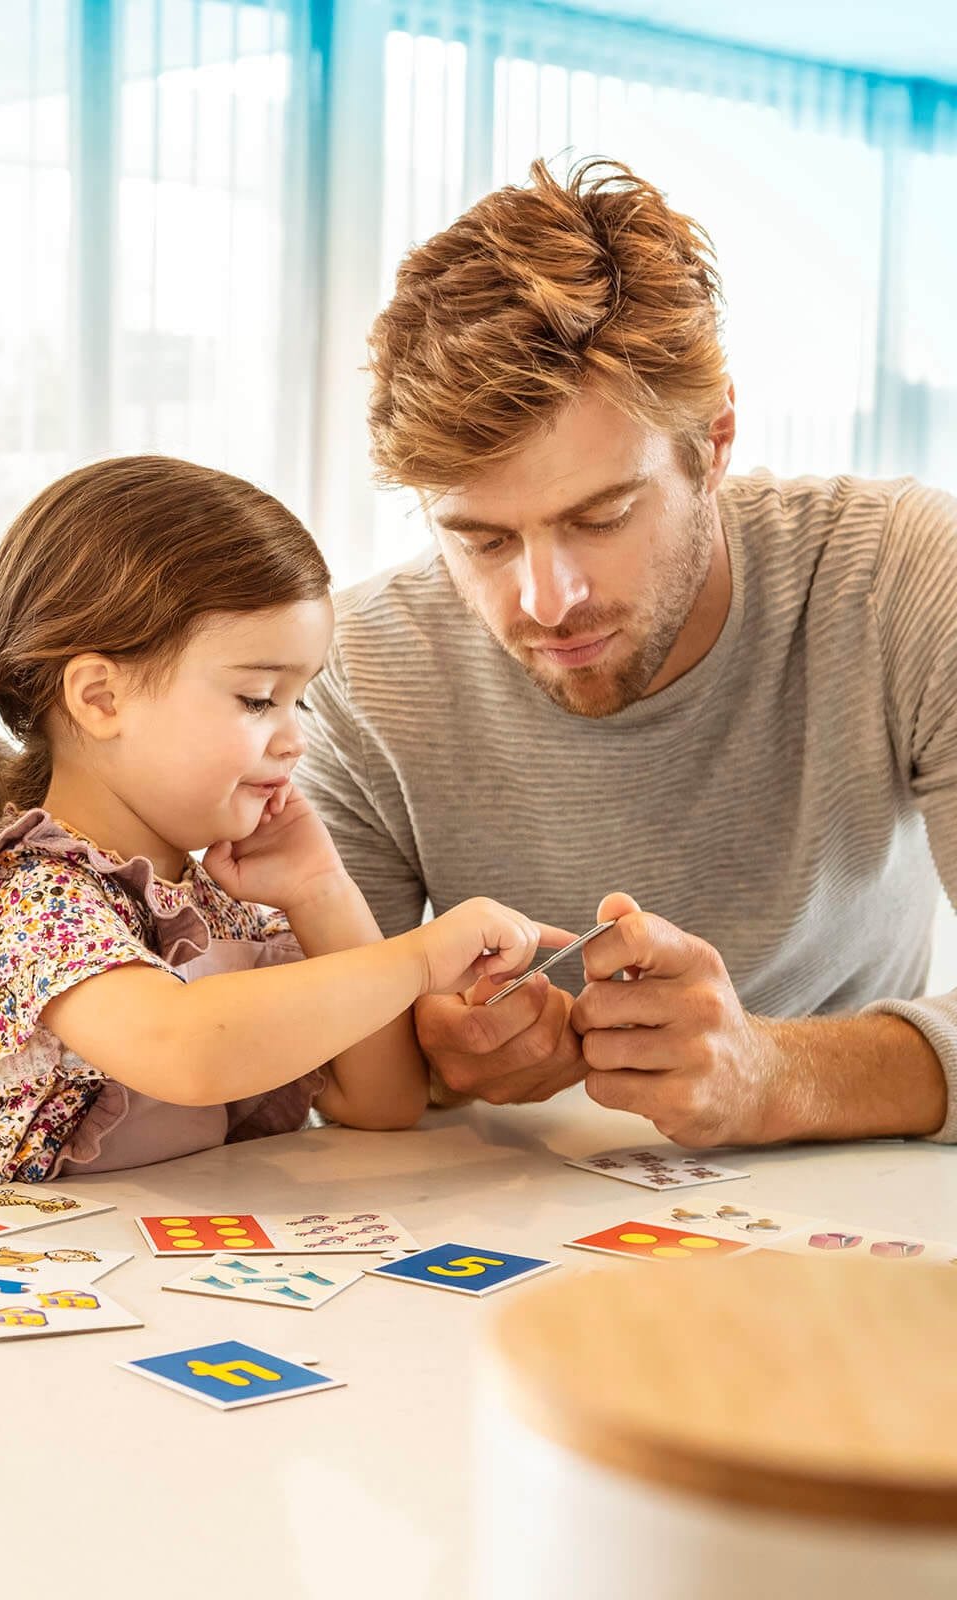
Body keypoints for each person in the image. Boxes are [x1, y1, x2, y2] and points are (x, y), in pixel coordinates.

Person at [298, 157, 957, 1150]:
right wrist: (439, 1054)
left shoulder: (903, 577)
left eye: (600, 516)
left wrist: (779, 1075)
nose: (546, 601)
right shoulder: (356, 672)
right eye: (480, 539)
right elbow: (344, 1069)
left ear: (715, 440)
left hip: (859, 1213)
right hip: (501, 1227)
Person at [0, 455, 566, 1218]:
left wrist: (320, 893)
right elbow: (187, 1051)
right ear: (101, 698)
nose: (293, 739)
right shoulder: (30, 898)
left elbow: (384, 1101)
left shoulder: (211, 906)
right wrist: (421, 956)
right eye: (259, 699)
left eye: (301, 700)